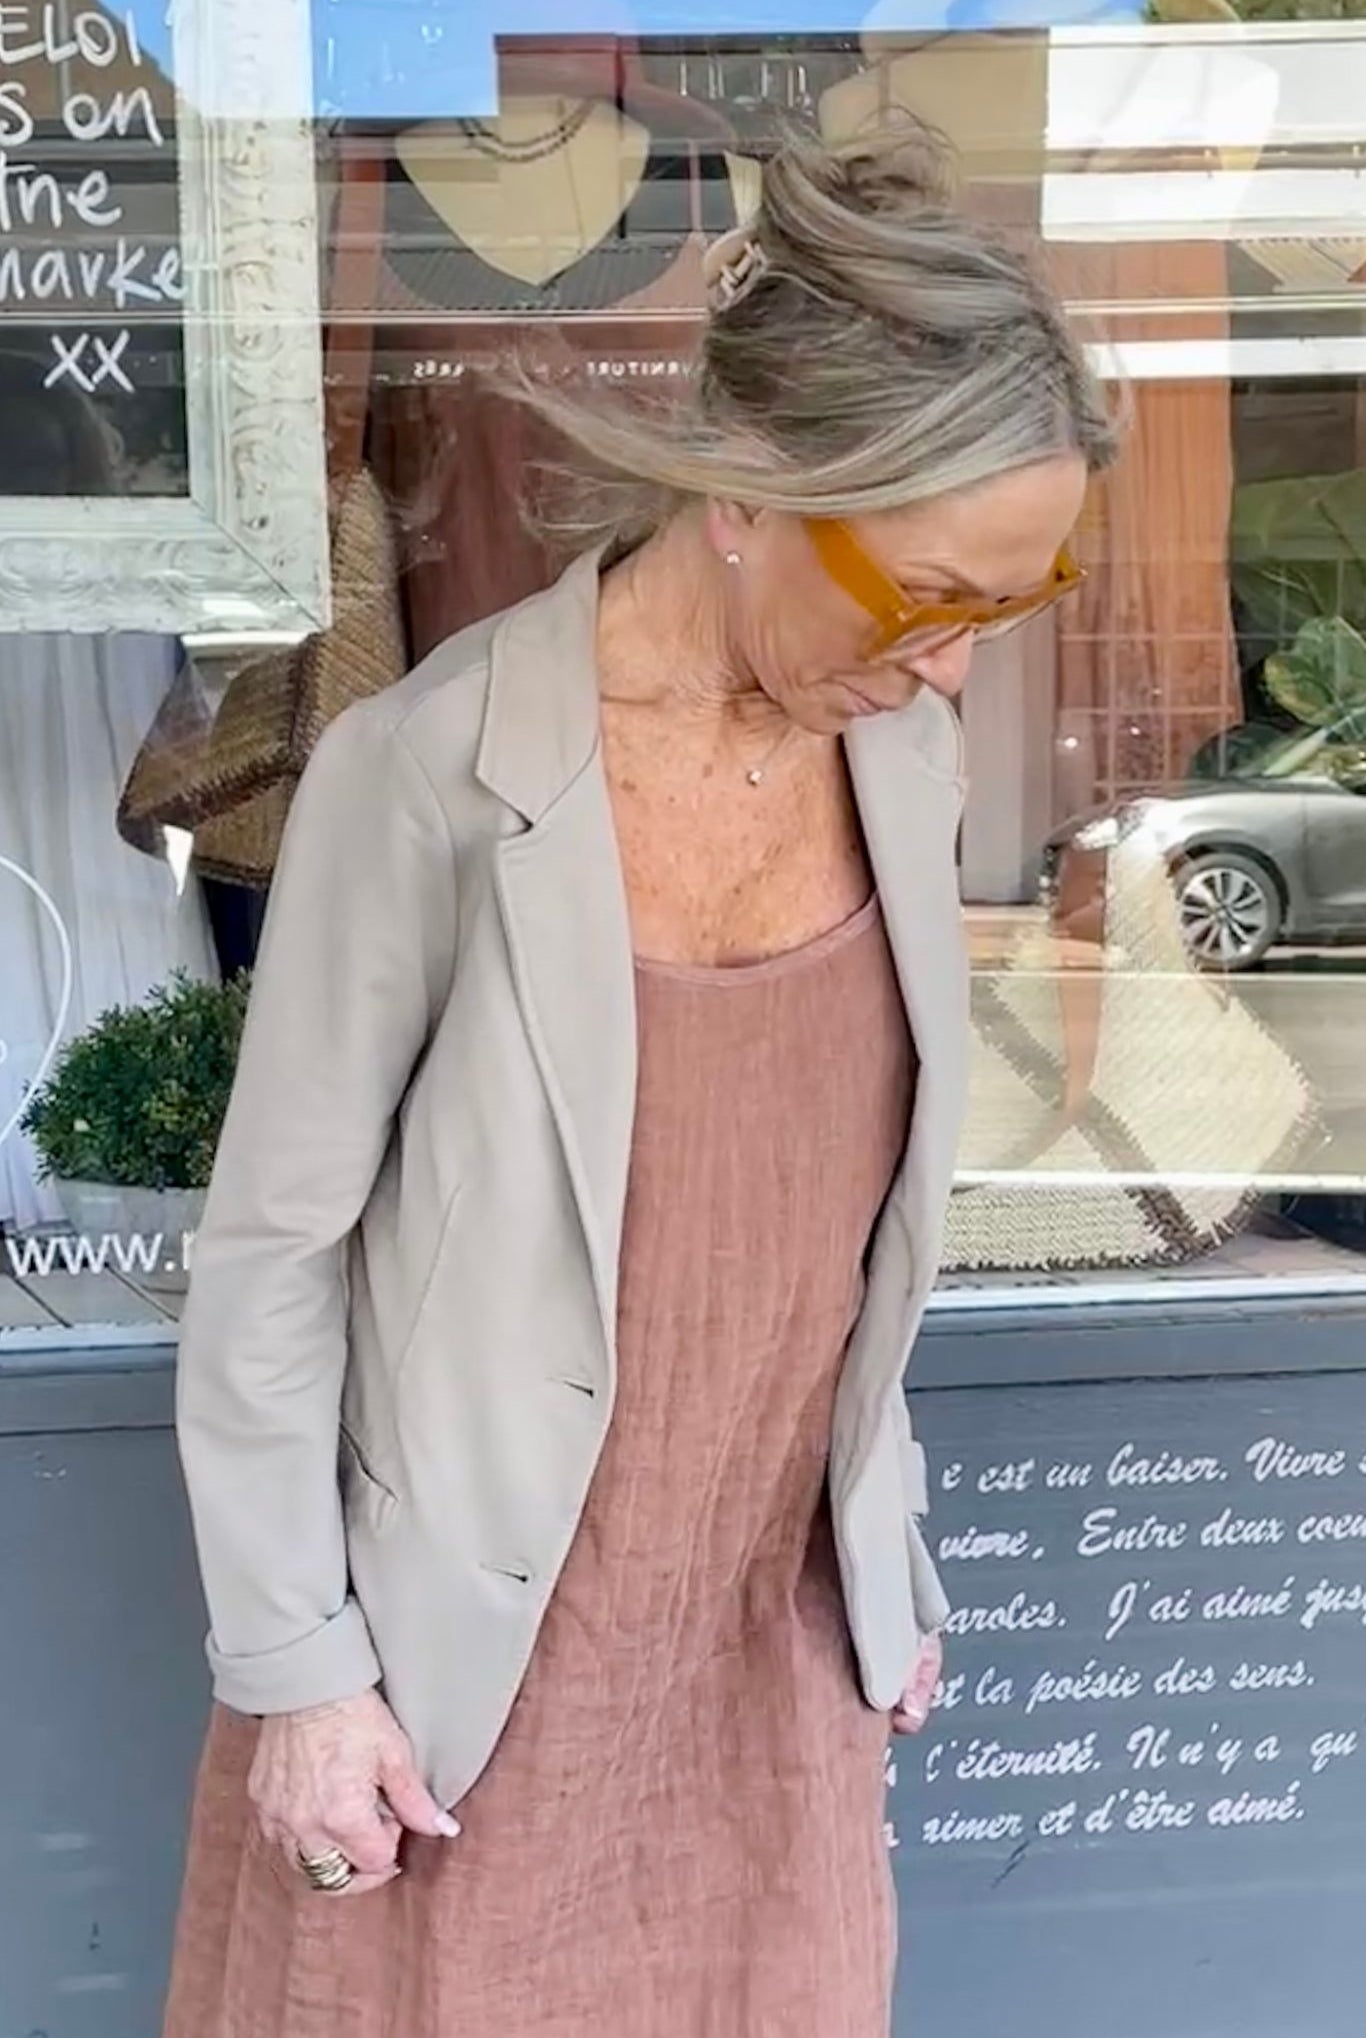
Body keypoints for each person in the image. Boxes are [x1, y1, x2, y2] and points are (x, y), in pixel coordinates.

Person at [163, 121, 1116, 2037]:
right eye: (925, 595)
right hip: (460, 1695)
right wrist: (299, 1673)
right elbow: (273, 1256)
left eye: (1007, 607)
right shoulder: (430, 773)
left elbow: (832, 1238)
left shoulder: (900, 759)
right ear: (750, 487)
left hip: (767, 1668)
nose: (950, 669)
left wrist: (887, 1542)